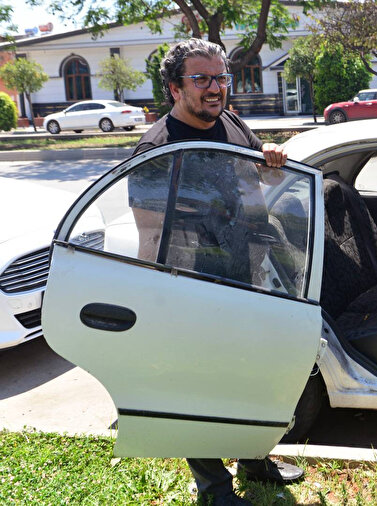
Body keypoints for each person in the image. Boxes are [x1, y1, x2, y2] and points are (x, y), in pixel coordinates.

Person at [128, 38, 301, 506]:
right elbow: (149, 233)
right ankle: (214, 488)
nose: (214, 88)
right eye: (200, 79)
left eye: (221, 77)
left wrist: (268, 153)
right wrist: (154, 299)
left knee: (250, 375)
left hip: (248, 273)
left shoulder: (228, 120)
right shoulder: (157, 149)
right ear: (173, 88)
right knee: (197, 384)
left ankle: (252, 460)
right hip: (193, 286)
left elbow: (258, 179)